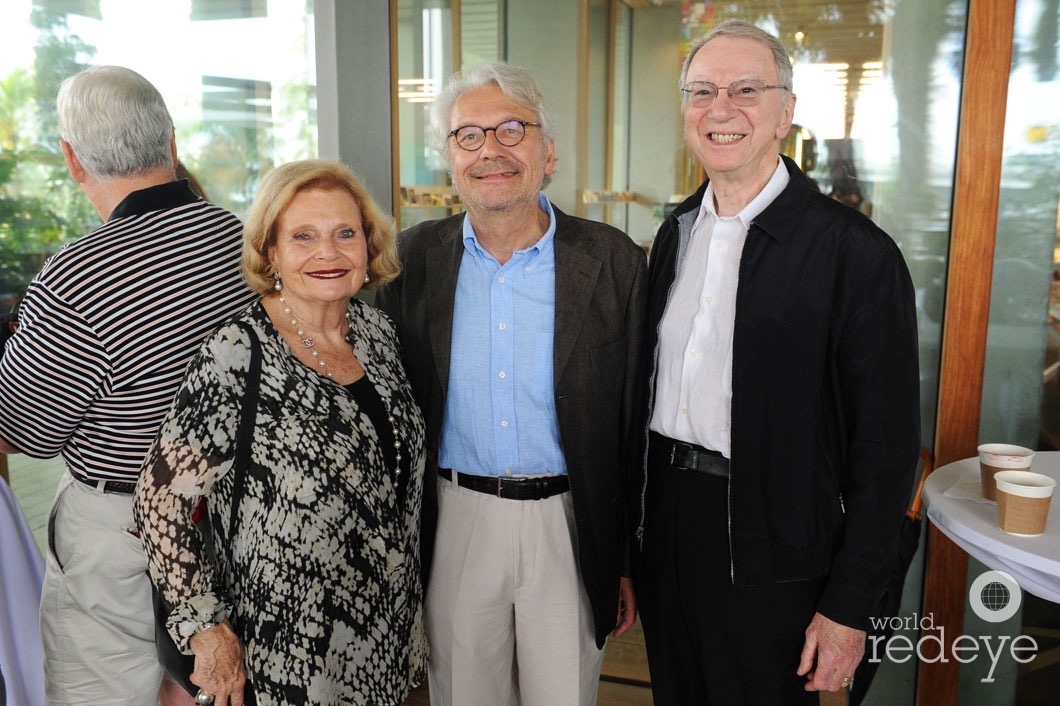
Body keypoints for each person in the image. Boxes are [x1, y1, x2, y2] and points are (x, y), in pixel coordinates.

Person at [633, 20, 920, 706]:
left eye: (746, 90)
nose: (720, 108)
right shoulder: (674, 233)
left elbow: (885, 451)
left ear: (786, 112)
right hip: (672, 526)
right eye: (702, 90)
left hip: (778, 542)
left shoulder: (854, 254)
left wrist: (851, 604)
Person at [375, 61, 645, 706]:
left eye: (511, 130)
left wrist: (628, 555)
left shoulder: (613, 260)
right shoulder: (408, 262)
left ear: (547, 153)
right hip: (455, 520)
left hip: (570, 522)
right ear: (448, 157)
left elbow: (635, 418)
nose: (490, 150)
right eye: (468, 136)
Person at [0, 65, 255, 706]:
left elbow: (27, 432)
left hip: (121, 535)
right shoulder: (252, 243)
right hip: (239, 520)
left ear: (71, 159)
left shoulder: (76, 276)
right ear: (171, 142)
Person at [135, 159, 428, 706]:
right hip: (284, 654)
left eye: (346, 234)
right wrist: (206, 629)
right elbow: (159, 502)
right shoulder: (237, 353)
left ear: (369, 245)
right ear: (270, 252)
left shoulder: (379, 334)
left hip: (384, 640)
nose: (328, 253)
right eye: (303, 237)